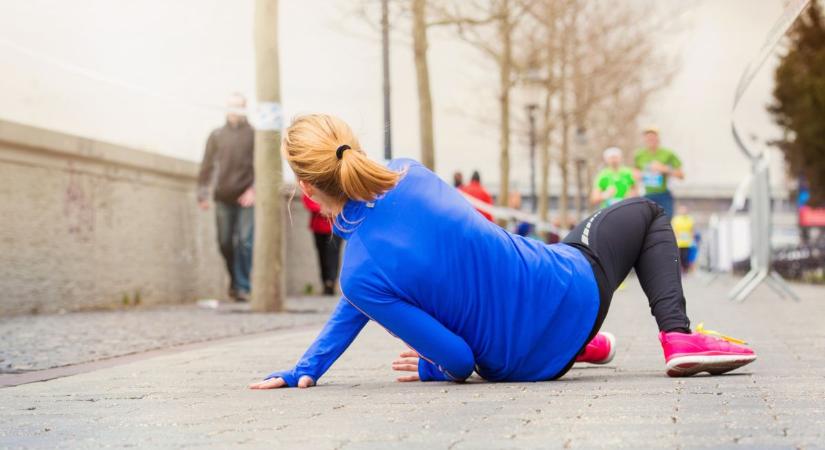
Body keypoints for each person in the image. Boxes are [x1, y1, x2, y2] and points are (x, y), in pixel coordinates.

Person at [249, 114, 755, 391]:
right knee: (646, 212)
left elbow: (458, 359)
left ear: (306, 189)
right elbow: (367, 288)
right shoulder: (410, 172)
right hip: (571, 293)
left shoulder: (359, 276)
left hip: (521, 364)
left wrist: (307, 367)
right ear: (353, 148)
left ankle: (584, 346)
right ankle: (678, 339)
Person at [197, 93, 255, 302]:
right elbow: (207, 165)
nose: (234, 111)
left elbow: (264, 166)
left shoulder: (254, 135)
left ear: (245, 108)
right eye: (231, 107)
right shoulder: (217, 135)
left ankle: (242, 287)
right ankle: (235, 280)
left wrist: (254, 189)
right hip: (222, 196)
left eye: (239, 107)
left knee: (245, 242)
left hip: (246, 196)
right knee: (224, 242)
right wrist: (203, 194)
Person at [633, 128, 684, 218]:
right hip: (647, 195)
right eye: (648, 138)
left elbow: (681, 175)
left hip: (664, 195)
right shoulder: (639, 155)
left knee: (665, 223)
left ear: (658, 139)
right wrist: (638, 176)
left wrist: (664, 169)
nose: (650, 140)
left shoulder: (668, 154)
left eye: (653, 138)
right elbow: (635, 173)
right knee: (647, 224)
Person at [302, 194, 343, 295]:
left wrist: (333, 209)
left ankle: (331, 282)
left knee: (333, 254)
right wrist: (321, 209)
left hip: (335, 226)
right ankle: (325, 281)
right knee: (322, 254)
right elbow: (307, 198)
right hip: (319, 225)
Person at [672, 205, 696, 273]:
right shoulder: (676, 219)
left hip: (687, 243)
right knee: (679, 257)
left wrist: (692, 238)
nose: (683, 211)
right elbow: (674, 230)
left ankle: (686, 270)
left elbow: (692, 230)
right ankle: (680, 270)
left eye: (684, 210)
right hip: (679, 243)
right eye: (682, 210)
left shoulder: (690, 219)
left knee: (686, 257)